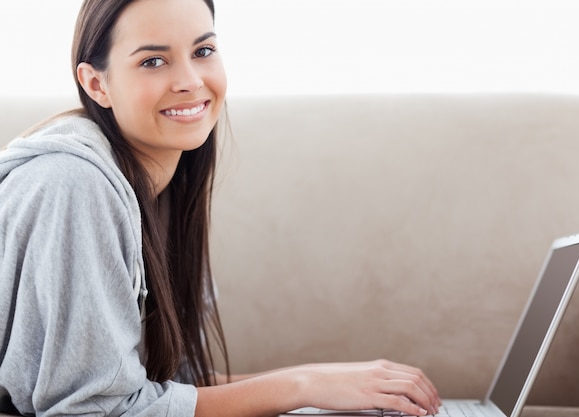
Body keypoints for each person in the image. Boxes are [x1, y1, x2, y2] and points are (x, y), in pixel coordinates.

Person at [0, 0, 441, 416]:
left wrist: (336, 390)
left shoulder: (158, 187)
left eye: (203, 50)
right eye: (153, 60)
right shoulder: (72, 184)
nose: (191, 80)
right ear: (97, 84)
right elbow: (95, 410)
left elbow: (158, 388)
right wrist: (302, 385)